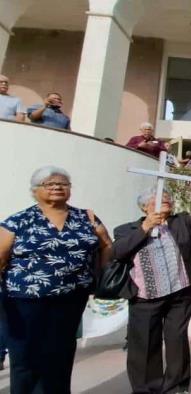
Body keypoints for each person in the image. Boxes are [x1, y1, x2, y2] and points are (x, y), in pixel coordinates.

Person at [0, 166, 111, 393]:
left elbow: (107, 246)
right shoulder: (19, 220)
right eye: (50, 184)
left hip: (70, 299)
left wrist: (98, 275)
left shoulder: (85, 217)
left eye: (63, 183)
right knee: (25, 357)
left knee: (60, 355)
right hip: (24, 300)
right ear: (35, 191)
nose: (57, 187)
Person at [112, 178, 191, 394]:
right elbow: (119, 252)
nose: (165, 199)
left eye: (167, 197)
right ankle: (147, 388)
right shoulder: (126, 229)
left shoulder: (181, 221)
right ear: (144, 207)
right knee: (145, 343)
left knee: (176, 339)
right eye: (157, 198)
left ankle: (177, 385)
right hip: (145, 296)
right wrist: (146, 227)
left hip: (181, 291)